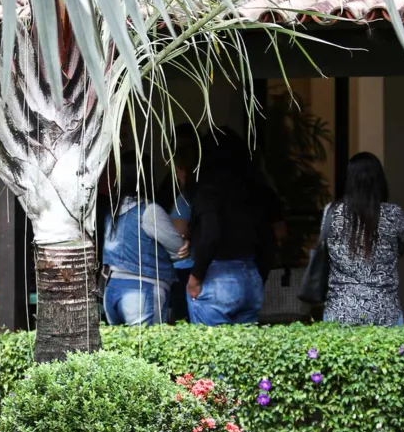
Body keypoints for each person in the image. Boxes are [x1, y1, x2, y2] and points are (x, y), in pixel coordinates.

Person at [186, 129, 275, 326]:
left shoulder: (208, 190)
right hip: (251, 274)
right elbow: (269, 237)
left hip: (217, 275)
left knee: (210, 351)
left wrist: (196, 276)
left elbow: (211, 234)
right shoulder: (253, 190)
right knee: (245, 354)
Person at [321, 153, 404, 326]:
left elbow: (324, 247)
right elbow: (403, 246)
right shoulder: (394, 214)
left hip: (340, 310)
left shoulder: (332, 212)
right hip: (386, 310)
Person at [103, 157, 188, 325]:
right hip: (142, 290)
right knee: (147, 348)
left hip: (111, 288)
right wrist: (186, 244)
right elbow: (179, 249)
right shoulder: (149, 211)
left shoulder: (112, 212)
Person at [168, 124, 199, 322]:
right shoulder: (203, 195)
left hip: (185, 269)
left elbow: (179, 235)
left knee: (182, 319)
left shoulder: (184, 199)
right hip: (199, 266)